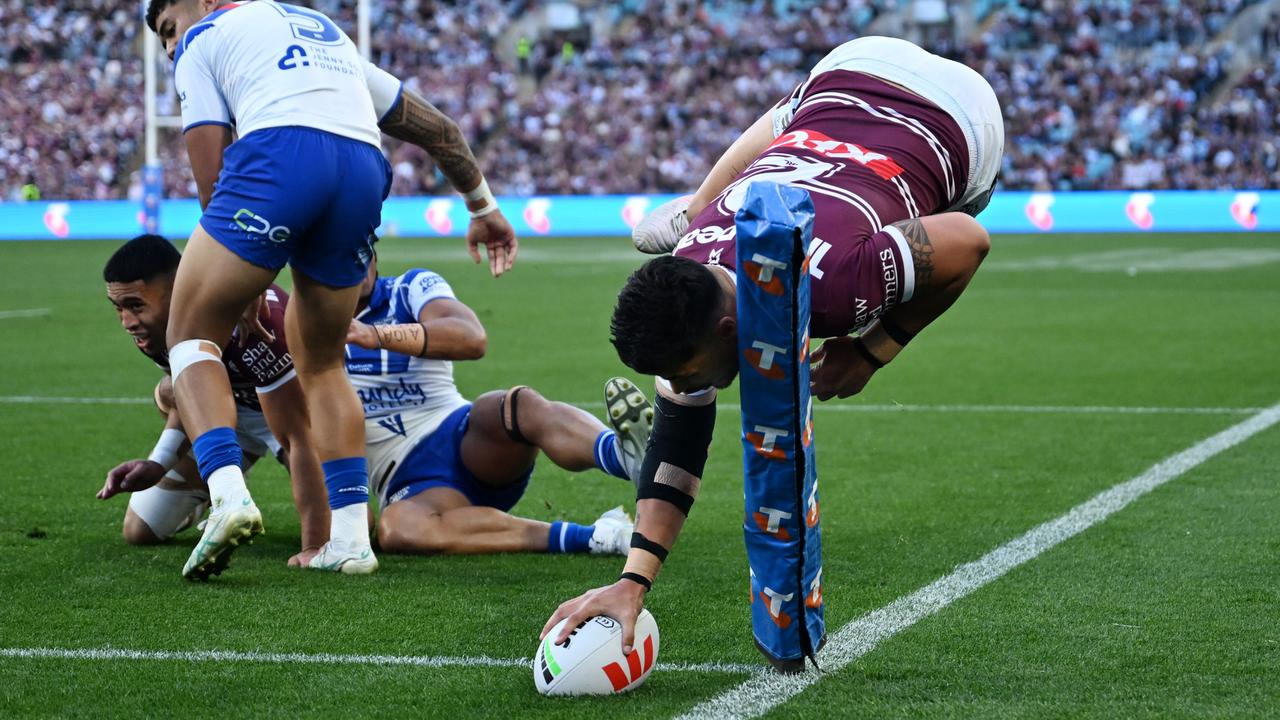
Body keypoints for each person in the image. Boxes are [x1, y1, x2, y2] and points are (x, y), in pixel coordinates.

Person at [543, 36, 1005, 653]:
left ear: (728, 328)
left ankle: (700, 204)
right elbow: (678, 441)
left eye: (684, 375)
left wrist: (871, 350)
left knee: (931, 202)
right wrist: (632, 580)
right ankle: (697, 209)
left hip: (960, 115)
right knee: (787, 123)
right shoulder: (688, 274)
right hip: (847, 73)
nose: (681, 389)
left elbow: (968, 240)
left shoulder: (832, 290)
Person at [144, 0, 517, 580]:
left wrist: (242, 282)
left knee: (189, 334)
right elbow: (438, 130)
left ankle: (227, 496)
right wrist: (483, 206)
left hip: (280, 156)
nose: (171, 46)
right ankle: (348, 541)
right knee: (321, 359)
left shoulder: (206, 36)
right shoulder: (327, 36)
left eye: (169, 29)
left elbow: (211, 171)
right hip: (362, 168)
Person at [344, 255, 654, 557]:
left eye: (362, 247)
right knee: (398, 530)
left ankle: (626, 458)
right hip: (412, 487)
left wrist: (375, 335)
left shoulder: (409, 287)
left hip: (463, 438)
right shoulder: (304, 330)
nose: (357, 261)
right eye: (341, 252)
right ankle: (600, 536)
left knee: (518, 405)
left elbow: (471, 337)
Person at [97, 234, 329, 569]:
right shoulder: (160, 328)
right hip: (234, 410)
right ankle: (220, 489)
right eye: (119, 308)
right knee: (140, 529)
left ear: (179, 289)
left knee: (350, 525)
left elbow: (299, 437)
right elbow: (191, 399)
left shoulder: (257, 324)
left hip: (297, 414)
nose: (127, 322)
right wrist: (159, 462)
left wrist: (314, 544)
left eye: (135, 306)